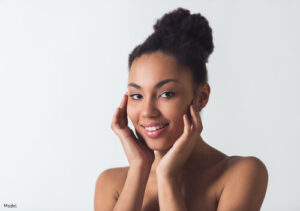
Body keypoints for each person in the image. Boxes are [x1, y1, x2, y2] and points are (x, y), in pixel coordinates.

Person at [94, 7, 268, 211]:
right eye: (137, 96)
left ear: (201, 96)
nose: (147, 111)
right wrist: (139, 168)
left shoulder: (240, 174)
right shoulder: (111, 184)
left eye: (166, 94)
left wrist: (167, 177)